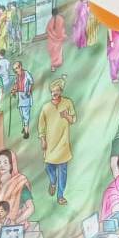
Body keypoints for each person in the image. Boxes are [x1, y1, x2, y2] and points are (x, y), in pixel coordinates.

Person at [38, 78, 76, 206]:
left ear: (61, 91)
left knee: (63, 171)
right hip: (50, 144)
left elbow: (73, 119)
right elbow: (41, 125)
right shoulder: (46, 107)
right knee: (49, 167)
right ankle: (53, 181)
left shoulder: (67, 103)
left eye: (57, 90)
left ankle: (60, 196)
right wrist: (43, 139)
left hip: (63, 144)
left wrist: (66, 116)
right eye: (52, 91)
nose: (54, 93)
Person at [0, 148, 34, 225]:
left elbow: (30, 208)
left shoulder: (19, 183)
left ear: (11, 165)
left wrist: (15, 222)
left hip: (15, 226)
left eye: (5, 162)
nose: (2, 165)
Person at [11, 60, 34, 139]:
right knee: (22, 114)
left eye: (16, 68)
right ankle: (24, 127)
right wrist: (13, 91)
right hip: (20, 97)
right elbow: (16, 85)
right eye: (14, 69)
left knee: (26, 116)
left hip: (26, 97)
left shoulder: (27, 74)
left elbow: (31, 82)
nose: (15, 70)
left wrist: (29, 91)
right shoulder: (17, 76)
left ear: (20, 67)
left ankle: (26, 132)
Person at [45, 7, 66, 71]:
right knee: (59, 51)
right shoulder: (61, 19)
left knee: (53, 53)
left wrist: (52, 35)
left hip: (52, 40)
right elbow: (62, 28)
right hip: (59, 39)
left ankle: (53, 66)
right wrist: (62, 35)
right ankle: (59, 63)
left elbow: (48, 30)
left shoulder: (50, 21)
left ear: (52, 13)